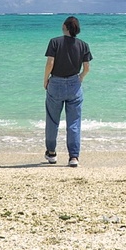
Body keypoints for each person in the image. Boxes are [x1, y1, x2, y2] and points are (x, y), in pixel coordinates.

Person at [43, 16, 92, 167]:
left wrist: (45, 80)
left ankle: (51, 153)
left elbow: (50, 63)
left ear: (65, 26)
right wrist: (81, 77)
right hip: (74, 85)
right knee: (74, 122)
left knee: (52, 120)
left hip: (56, 83)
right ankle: (73, 157)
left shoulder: (54, 42)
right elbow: (87, 68)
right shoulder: (83, 45)